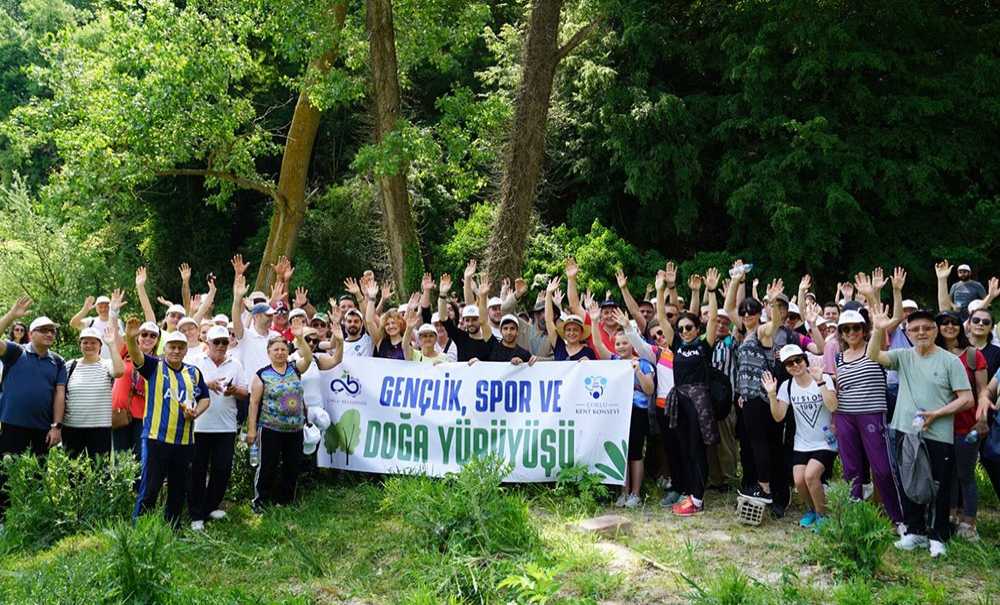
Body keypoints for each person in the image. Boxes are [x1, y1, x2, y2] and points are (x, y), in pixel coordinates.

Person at [868, 305, 973, 558]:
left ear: (936, 331)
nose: (921, 332)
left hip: (938, 433)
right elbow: (874, 357)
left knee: (939, 484)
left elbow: (967, 399)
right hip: (905, 430)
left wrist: (937, 414)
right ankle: (914, 532)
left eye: (927, 328)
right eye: (915, 329)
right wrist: (877, 329)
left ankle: (937, 536)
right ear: (908, 332)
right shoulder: (903, 356)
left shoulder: (951, 361)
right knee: (908, 482)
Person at [125, 318, 211, 527]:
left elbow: (205, 398)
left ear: (185, 351)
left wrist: (196, 412)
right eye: (172, 347)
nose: (176, 351)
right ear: (166, 348)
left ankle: (173, 527)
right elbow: (136, 356)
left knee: (178, 488)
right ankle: (140, 528)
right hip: (156, 437)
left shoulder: (193, 372)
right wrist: (130, 338)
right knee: (150, 487)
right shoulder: (154, 366)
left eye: (180, 348)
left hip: (184, 441)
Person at [830, 302, 903, 528]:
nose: (851, 333)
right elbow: (839, 389)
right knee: (851, 470)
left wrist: (878, 297)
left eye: (856, 328)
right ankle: (855, 517)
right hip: (845, 416)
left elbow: (893, 319)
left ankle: (898, 518)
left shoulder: (874, 349)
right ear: (841, 333)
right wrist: (834, 420)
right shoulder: (839, 357)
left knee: (881, 468)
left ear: (863, 329)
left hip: (871, 414)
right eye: (846, 329)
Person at [0, 298, 67, 523]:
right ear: (31, 333)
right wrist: (11, 315)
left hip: (41, 429)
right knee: (4, 475)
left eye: (53, 332)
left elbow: (59, 395)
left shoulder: (58, 362)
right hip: (10, 424)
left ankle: (34, 519)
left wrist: (56, 426)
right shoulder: (14, 352)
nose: (50, 334)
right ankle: (4, 521)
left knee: (38, 475)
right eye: (44, 330)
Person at [762, 345, 838, 529]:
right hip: (802, 442)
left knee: (811, 476)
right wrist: (772, 395)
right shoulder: (787, 386)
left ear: (805, 360)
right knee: (798, 480)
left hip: (826, 441)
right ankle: (812, 510)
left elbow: (833, 406)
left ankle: (823, 515)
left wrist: (820, 382)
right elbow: (779, 416)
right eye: (789, 363)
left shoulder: (823, 378)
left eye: (798, 360)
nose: (795, 365)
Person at [933, 311, 988, 541]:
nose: (949, 327)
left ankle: (969, 522)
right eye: (944, 323)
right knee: (948, 474)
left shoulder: (973, 356)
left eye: (954, 323)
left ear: (961, 327)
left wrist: (982, 419)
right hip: (939, 426)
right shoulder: (931, 354)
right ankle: (952, 515)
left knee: (965, 474)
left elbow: (982, 391)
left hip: (966, 425)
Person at [591, 307, 654, 507]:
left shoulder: (643, 363)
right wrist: (594, 321)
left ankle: (636, 493)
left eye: (625, 342)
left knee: (635, 452)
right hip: (618, 413)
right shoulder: (614, 362)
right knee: (622, 452)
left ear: (632, 344)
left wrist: (638, 372)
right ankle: (623, 492)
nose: (620, 347)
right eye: (617, 343)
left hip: (638, 411)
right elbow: (598, 345)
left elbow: (649, 389)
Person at [188, 325, 249, 530]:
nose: (222, 346)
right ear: (208, 343)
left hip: (226, 426)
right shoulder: (195, 362)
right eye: (217, 342)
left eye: (225, 341)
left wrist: (234, 390)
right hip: (199, 425)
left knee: (222, 469)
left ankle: (210, 506)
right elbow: (186, 387)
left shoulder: (236, 363)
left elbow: (244, 392)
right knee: (198, 470)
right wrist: (207, 384)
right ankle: (196, 514)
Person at [247, 326, 313, 513]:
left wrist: (300, 338)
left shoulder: (295, 369)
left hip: (295, 429)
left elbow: (308, 358)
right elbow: (254, 402)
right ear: (268, 352)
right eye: (276, 349)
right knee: (267, 466)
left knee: (292, 466)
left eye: (283, 349)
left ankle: (286, 501)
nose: (280, 352)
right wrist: (252, 429)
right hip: (270, 429)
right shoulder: (262, 375)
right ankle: (260, 501)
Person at [62, 325, 125, 457]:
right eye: (85, 342)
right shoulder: (70, 365)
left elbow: (119, 371)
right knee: (73, 472)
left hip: (100, 428)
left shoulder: (107, 364)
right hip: (72, 427)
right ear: (80, 345)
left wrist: (112, 345)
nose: (89, 345)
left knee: (100, 472)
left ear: (100, 346)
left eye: (93, 342)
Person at [112, 321, 160, 459]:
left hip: (143, 416)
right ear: (138, 336)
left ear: (157, 340)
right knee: (120, 458)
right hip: (121, 412)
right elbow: (113, 336)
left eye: (153, 336)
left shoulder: (158, 362)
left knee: (139, 457)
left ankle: (140, 482)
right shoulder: (125, 352)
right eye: (144, 334)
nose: (148, 338)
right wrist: (114, 311)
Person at [438, 273, 492, 362]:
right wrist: (442, 294)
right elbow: (443, 318)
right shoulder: (460, 337)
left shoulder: (489, 340)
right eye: (467, 320)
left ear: (480, 319)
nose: (470, 323)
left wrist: (480, 364)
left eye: (474, 319)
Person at [544, 277, 596, 361]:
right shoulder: (558, 345)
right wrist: (549, 293)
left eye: (575, 330)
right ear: (564, 332)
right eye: (568, 330)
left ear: (581, 332)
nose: (571, 333)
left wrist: (589, 363)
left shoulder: (589, 352)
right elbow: (549, 320)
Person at [69, 290, 125, 359]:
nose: (103, 309)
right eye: (100, 307)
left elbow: (123, 342)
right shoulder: (91, 321)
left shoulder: (117, 321)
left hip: (114, 361)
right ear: (96, 308)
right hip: (95, 363)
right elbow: (73, 323)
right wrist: (85, 310)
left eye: (106, 306)